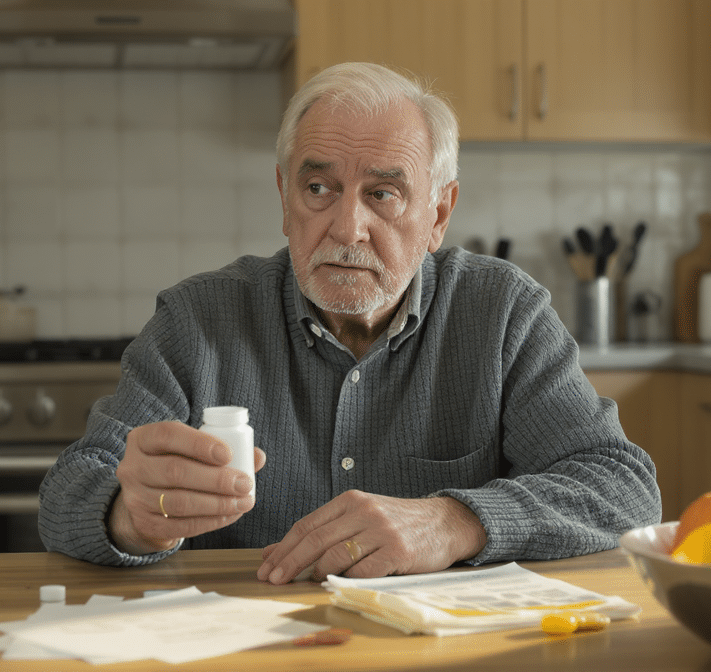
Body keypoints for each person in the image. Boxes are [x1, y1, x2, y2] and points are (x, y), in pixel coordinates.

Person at [38, 62, 660, 585]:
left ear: (439, 213)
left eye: (383, 195)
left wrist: (454, 521)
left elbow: (622, 487)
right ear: (284, 197)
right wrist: (128, 515)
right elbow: (69, 492)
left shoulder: (503, 313)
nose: (346, 227)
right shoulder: (198, 320)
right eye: (318, 188)